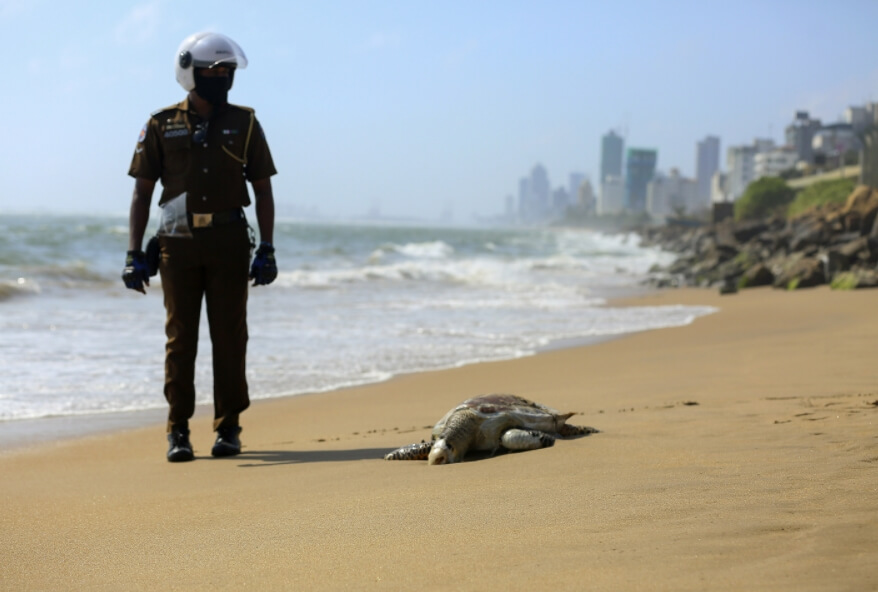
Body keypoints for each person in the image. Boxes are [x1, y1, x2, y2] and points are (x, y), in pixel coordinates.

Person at [122, 32, 278, 462]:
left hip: (229, 243)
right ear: (189, 72)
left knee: (230, 337)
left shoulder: (245, 123)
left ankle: (228, 427)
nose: (222, 78)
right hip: (177, 247)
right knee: (180, 339)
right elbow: (142, 193)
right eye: (213, 71)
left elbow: (263, 191)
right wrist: (134, 253)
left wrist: (267, 247)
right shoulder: (160, 124)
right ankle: (178, 431)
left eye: (227, 72)